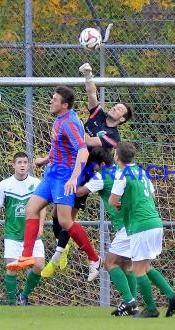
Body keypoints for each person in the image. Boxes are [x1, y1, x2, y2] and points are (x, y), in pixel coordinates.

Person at [42, 63, 133, 277]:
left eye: (121, 109)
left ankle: (68, 253)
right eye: (116, 105)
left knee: (67, 216)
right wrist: (88, 75)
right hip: (71, 166)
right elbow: (92, 94)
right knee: (57, 215)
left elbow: (86, 141)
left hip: (86, 174)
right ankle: (62, 248)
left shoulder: (113, 137)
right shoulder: (98, 115)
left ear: (121, 119)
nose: (116, 108)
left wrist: (65, 129)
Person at [6, 86, 101, 281]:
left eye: (55, 100)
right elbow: (60, 147)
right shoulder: (59, 120)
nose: (51, 102)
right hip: (52, 173)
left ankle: (94, 258)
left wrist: (74, 178)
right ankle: (26, 256)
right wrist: (46, 159)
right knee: (31, 209)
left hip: (64, 176)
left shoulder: (71, 123)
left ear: (64, 105)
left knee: (65, 221)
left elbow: (82, 151)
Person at [108, 142, 175, 318]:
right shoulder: (142, 172)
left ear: (117, 157)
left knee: (138, 269)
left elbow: (112, 201)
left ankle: (151, 309)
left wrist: (122, 203)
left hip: (140, 225)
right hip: (155, 222)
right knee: (146, 266)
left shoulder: (121, 174)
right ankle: (171, 295)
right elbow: (153, 195)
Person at [74, 147, 138, 316]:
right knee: (127, 266)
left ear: (101, 164)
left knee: (109, 263)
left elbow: (79, 191)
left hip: (125, 227)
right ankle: (133, 305)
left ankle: (129, 301)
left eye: (94, 167)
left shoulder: (102, 176)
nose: (93, 170)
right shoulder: (121, 170)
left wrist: (69, 181)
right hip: (136, 223)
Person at [0, 152, 46, 305]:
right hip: (13, 234)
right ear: (14, 165)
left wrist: (40, 225)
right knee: (11, 267)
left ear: (28, 165)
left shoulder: (36, 183)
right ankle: (12, 304)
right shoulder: (5, 184)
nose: (22, 165)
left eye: (25, 162)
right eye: (19, 162)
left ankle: (24, 296)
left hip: (32, 235)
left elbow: (43, 207)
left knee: (40, 265)